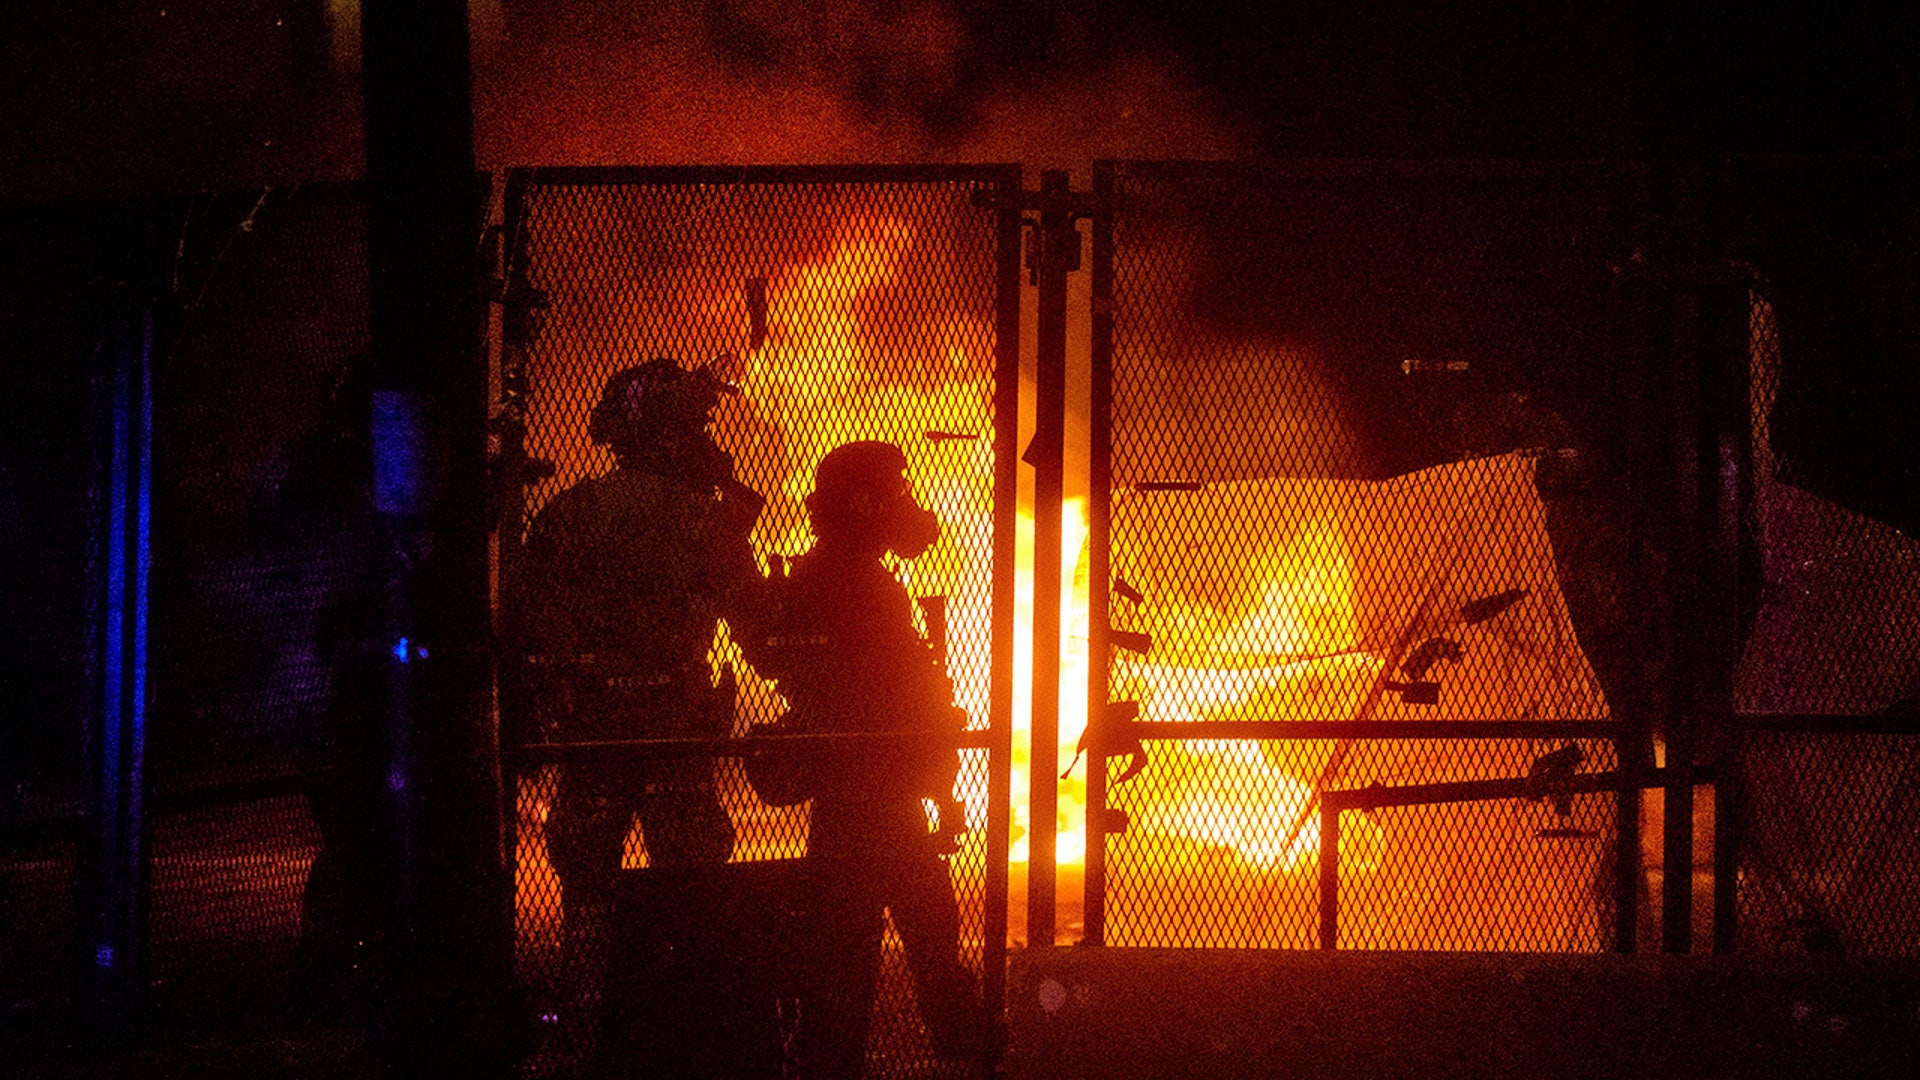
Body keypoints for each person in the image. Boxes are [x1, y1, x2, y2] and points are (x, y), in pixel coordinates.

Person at [503, 357, 767, 1065]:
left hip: (592, 727)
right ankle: (689, 1032)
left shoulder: (573, 509)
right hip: (676, 723)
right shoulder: (702, 521)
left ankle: (582, 1037)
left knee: (587, 892)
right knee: (692, 883)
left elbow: (528, 614)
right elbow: (753, 619)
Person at [753, 440, 987, 1077]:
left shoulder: (825, 572)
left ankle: (835, 1063)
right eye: (895, 496)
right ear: (866, 504)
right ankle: (965, 1059)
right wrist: (939, 729)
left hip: (847, 803)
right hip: (882, 800)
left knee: (839, 966)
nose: (907, 508)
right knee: (932, 952)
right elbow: (896, 688)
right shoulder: (858, 580)